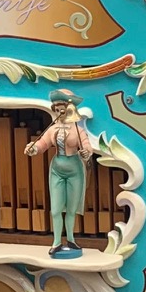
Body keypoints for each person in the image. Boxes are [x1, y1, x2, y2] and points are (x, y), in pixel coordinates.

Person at [25, 88, 93, 258]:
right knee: (56, 209)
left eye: (62, 108)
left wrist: (86, 152)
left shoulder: (77, 129)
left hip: (74, 169)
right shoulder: (53, 129)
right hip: (57, 168)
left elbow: (86, 145)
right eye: (56, 109)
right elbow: (43, 143)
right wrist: (33, 149)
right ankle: (56, 242)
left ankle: (70, 239)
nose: (59, 112)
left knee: (71, 208)